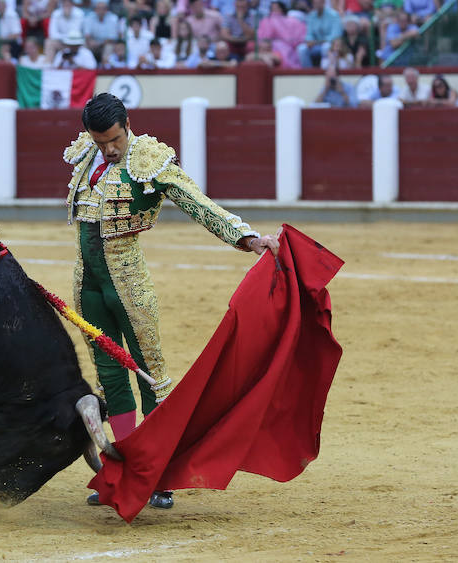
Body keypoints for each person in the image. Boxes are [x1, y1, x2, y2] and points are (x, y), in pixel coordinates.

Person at [62, 93, 279, 509]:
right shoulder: (86, 154)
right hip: (87, 284)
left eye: (114, 139)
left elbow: (197, 203)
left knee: (149, 374)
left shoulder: (149, 158)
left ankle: (157, 472)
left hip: (128, 282)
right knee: (110, 375)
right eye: (100, 140)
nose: (108, 148)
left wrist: (246, 238)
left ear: (127, 123)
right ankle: (124, 467)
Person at [297, 0, 342, 68]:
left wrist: (318, 42)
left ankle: (325, 71)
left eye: (319, 2)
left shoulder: (334, 15)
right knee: (301, 49)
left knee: (326, 47)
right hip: (315, 45)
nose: (317, 5)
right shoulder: (311, 16)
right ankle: (308, 72)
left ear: (323, 3)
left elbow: (335, 35)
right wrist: (309, 40)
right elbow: (309, 33)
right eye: (315, 3)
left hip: (329, 43)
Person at [84, 0, 122, 65]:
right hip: (92, 43)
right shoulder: (89, 17)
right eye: (98, 8)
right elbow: (87, 35)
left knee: (109, 47)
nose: (101, 11)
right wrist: (90, 42)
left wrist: (99, 43)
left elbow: (112, 39)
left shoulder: (113, 18)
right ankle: (86, 66)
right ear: (95, 9)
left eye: (103, 9)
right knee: (84, 46)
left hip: (106, 44)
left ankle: (105, 67)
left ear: (107, 10)